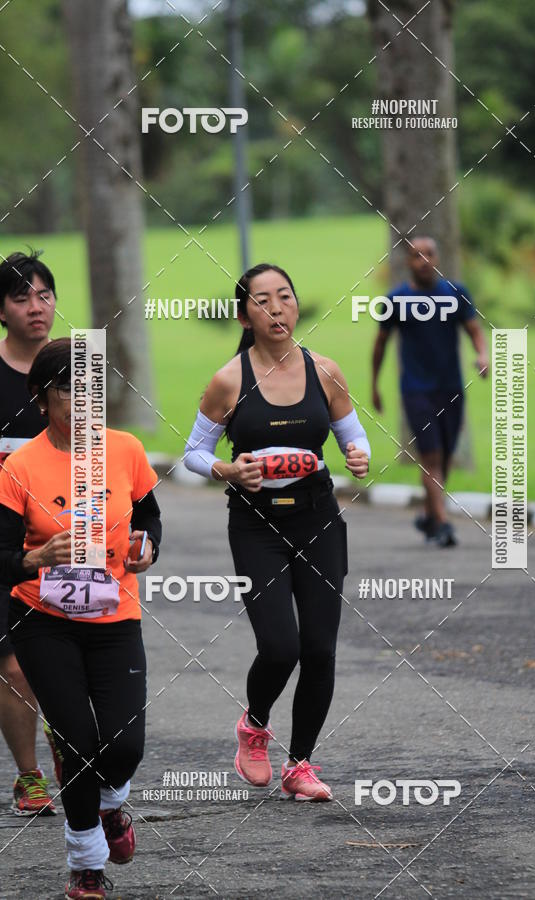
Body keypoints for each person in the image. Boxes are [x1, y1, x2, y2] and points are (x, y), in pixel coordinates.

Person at [184, 263, 370, 802]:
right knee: (280, 646)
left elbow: (354, 435)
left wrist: (358, 455)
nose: (276, 308)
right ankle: (255, 725)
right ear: (245, 316)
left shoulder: (325, 371)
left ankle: (300, 765)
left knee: (320, 648)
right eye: (262, 301)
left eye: (284, 296)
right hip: (256, 524)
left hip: (317, 519)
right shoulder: (229, 380)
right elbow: (194, 453)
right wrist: (227, 470)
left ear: (296, 304)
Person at [0, 338, 162, 900]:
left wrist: (148, 547)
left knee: (125, 745)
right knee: (77, 741)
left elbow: (149, 517)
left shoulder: (126, 449)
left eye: (92, 389)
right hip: (43, 619)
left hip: (115, 617)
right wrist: (35, 558)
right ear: (42, 398)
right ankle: (86, 865)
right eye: (70, 389)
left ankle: (111, 803)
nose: (84, 401)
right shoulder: (20, 466)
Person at [371, 237, 488, 547]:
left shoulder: (456, 294)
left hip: (451, 387)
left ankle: (429, 515)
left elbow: (475, 331)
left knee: (445, 456)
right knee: (431, 456)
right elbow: (381, 344)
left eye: (429, 254)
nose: (423, 260)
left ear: (438, 258)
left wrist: (482, 355)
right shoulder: (396, 300)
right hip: (416, 391)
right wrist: (374, 385)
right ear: (408, 262)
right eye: (416, 255)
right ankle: (444, 523)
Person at [0, 250, 58, 816]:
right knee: (14, 664)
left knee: (65, 660)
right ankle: (29, 776)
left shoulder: (76, 368)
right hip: (4, 545)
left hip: (64, 538)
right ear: (2, 311)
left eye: (44, 295)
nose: (36, 307)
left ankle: (69, 746)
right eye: (22, 298)